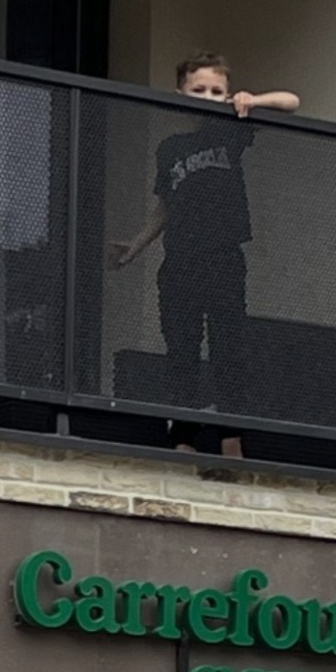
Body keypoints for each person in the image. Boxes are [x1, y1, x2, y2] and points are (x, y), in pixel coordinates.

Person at [110, 53, 300, 442]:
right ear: (180, 94)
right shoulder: (170, 148)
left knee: (228, 348)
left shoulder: (230, 131)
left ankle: (231, 439)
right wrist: (136, 245)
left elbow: (291, 102)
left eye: (217, 91)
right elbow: (165, 206)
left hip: (223, 257)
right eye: (199, 90)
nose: (209, 97)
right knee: (182, 351)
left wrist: (251, 101)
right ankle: (183, 439)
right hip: (179, 261)